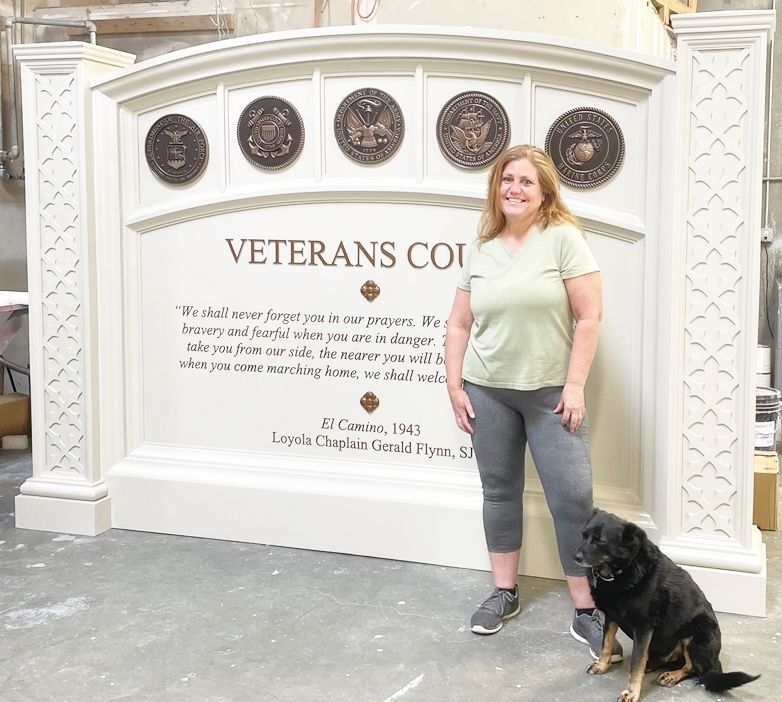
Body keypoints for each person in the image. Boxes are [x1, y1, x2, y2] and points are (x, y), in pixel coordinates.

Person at [444, 144, 622, 662]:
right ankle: (505, 593)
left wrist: (573, 386)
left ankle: (587, 608)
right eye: (507, 180)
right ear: (496, 188)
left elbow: (589, 318)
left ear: (544, 192)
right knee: (499, 492)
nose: (514, 189)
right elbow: (459, 322)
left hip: (550, 395)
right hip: (487, 390)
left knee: (572, 499)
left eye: (526, 181)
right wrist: (455, 385)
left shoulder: (564, 241)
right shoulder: (480, 248)